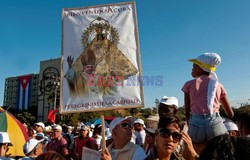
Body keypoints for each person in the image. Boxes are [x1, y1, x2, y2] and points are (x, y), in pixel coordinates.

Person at [182, 52, 234, 153]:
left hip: (195, 125)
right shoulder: (218, 85)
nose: (192, 68)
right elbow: (230, 114)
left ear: (201, 67)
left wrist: (192, 123)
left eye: (194, 65)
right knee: (221, 152)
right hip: (215, 124)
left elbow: (187, 111)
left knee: (194, 153)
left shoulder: (188, 84)